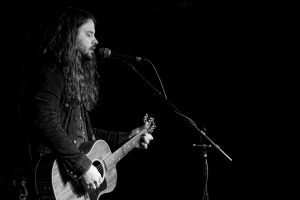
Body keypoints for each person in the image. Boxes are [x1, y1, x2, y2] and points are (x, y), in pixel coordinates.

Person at [20, 6, 154, 199]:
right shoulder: (51, 70)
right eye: (89, 34)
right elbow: (44, 119)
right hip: (49, 180)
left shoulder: (73, 77)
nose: (96, 41)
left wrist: (128, 137)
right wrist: (82, 166)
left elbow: (85, 136)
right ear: (70, 36)